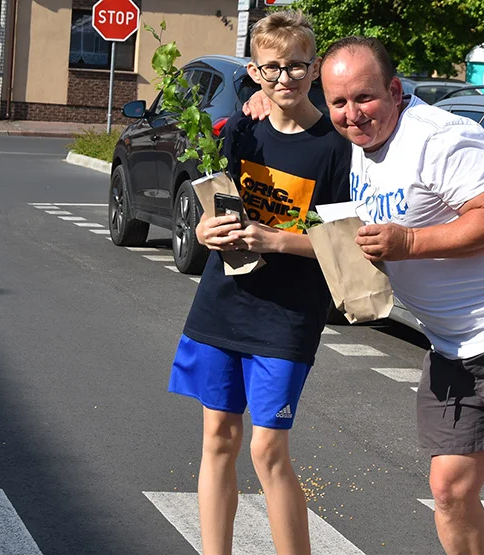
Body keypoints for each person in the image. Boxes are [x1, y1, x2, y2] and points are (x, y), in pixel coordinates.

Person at [245, 37, 484, 555]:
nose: (353, 115)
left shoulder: (438, 136)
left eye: (365, 98)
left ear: (395, 91)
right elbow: (296, 115)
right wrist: (269, 99)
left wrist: (409, 242)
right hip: (453, 344)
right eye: (338, 103)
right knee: (450, 488)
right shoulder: (349, 146)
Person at [167, 11, 350, 555]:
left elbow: (342, 247)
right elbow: (215, 208)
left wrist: (273, 240)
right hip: (222, 301)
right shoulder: (243, 132)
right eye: (272, 68)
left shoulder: (335, 146)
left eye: (296, 66)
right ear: (254, 70)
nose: (284, 79)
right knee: (217, 440)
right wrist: (204, 228)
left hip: (287, 315)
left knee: (268, 450)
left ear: (314, 68)